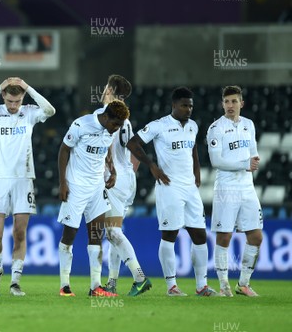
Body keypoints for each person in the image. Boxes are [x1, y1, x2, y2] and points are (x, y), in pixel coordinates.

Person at [126, 87, 220, 297]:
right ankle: (172, 286)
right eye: (184, 105)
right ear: (174, 105)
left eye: (191, 106)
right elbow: (133, 143)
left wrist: (196, 170)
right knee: (170, 235)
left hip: (190, 188)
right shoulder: (160, 126)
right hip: (169, 187)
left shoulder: (193, 126)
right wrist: (151, 165)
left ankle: (201, 286)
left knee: (200, 235)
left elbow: (193, 148)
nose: (188, 109)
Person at [0, 77, 56, 296]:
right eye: (9, 101)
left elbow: (50, 110)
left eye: (17, 101)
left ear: (22, 98)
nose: (13, 106)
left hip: (23, 178)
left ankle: (15, 282)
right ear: (4, 97)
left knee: (19, 232)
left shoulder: (30, 113)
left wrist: (28, 87)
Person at [57, 100, 128, 297]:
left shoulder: (110, 131)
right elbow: (64, 150)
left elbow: (105, 151)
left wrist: (112, 171)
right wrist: (62, 183)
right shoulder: (82, 125)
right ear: (106, 117)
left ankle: (95, 286)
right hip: (76, 187)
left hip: (97, 187)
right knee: (69, 235)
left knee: (96, 235)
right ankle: (64, 286)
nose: (116, 129)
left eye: (119, 126)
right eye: (115, 124)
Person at [98, 75, 152, 297]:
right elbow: (134, 151)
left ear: (109, 89)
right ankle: (111, 282)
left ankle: (139, 277)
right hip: (127, 178)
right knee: (114, 232)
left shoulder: (107, 116)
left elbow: (107, 150)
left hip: (114, 179)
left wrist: (114, 174)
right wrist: (127, 175)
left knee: (111, 231)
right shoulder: (125, 119)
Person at [207, 86, 262, 297]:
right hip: (226, 187)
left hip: (247, 188)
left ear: (242, 103)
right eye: (227, 101)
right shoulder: (216, 128)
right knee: (224, 237)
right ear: (222, 104)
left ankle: (243, 284)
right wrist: (244, 164)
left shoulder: (249, 125)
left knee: (256, 236)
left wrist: (252, 163)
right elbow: (216, 161)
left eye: (234, 101)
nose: (230, 106)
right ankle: (224, 286)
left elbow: (253, 155)